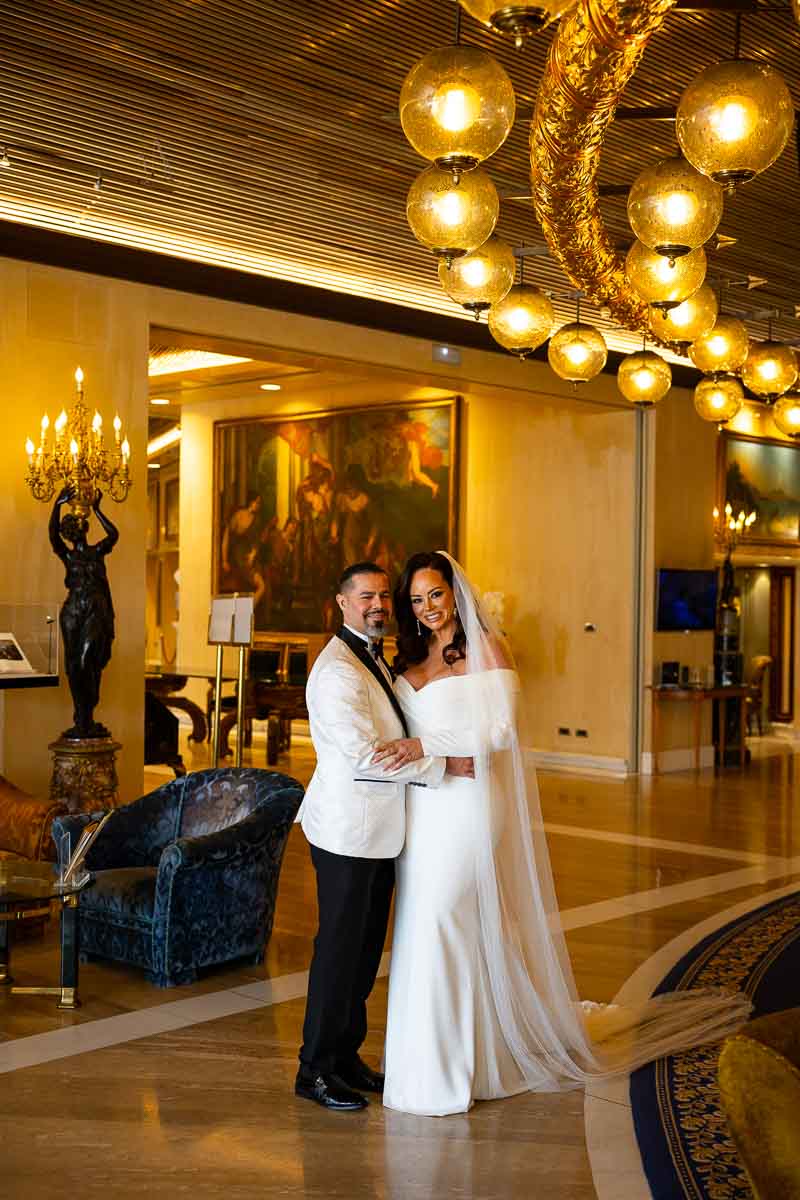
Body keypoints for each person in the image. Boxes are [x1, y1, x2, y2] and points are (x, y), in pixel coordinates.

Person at [372, 551, 751, 1117]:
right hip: (423, 809)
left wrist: (427, 747)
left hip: (471, 804)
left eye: (436, 595)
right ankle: (436, 1065)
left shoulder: (486, 650)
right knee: (426, 924)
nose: (428, 609)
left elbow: (499, 730)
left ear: (455, 593)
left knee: (445, 915)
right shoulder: (407, 661)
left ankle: (461, 1067)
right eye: (417, 600)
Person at [294, 560, 474, 1112]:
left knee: (364, 953)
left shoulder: (366, 655)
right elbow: (363, 757)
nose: (377, 605)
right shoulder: (336, 671)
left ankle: (345, 1057)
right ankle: (315, 1070)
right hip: (348, 832)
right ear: (343, 603)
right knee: (338, 954)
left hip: (377, 834)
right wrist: (443, 766)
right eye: (365, 596)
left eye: (382, 596)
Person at [49, 486, 118, 740]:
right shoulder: (67, 555)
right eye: (72, 528)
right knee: (72, 666)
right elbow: (51, 536)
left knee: (87, 661)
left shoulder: (97, 551)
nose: (77, 530)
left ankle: (86, 714)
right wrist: (57, 504)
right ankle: (83, 719)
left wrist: (98, 510)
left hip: (95, 611)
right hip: (72, 612)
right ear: (70, 533)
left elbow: (114, 534)